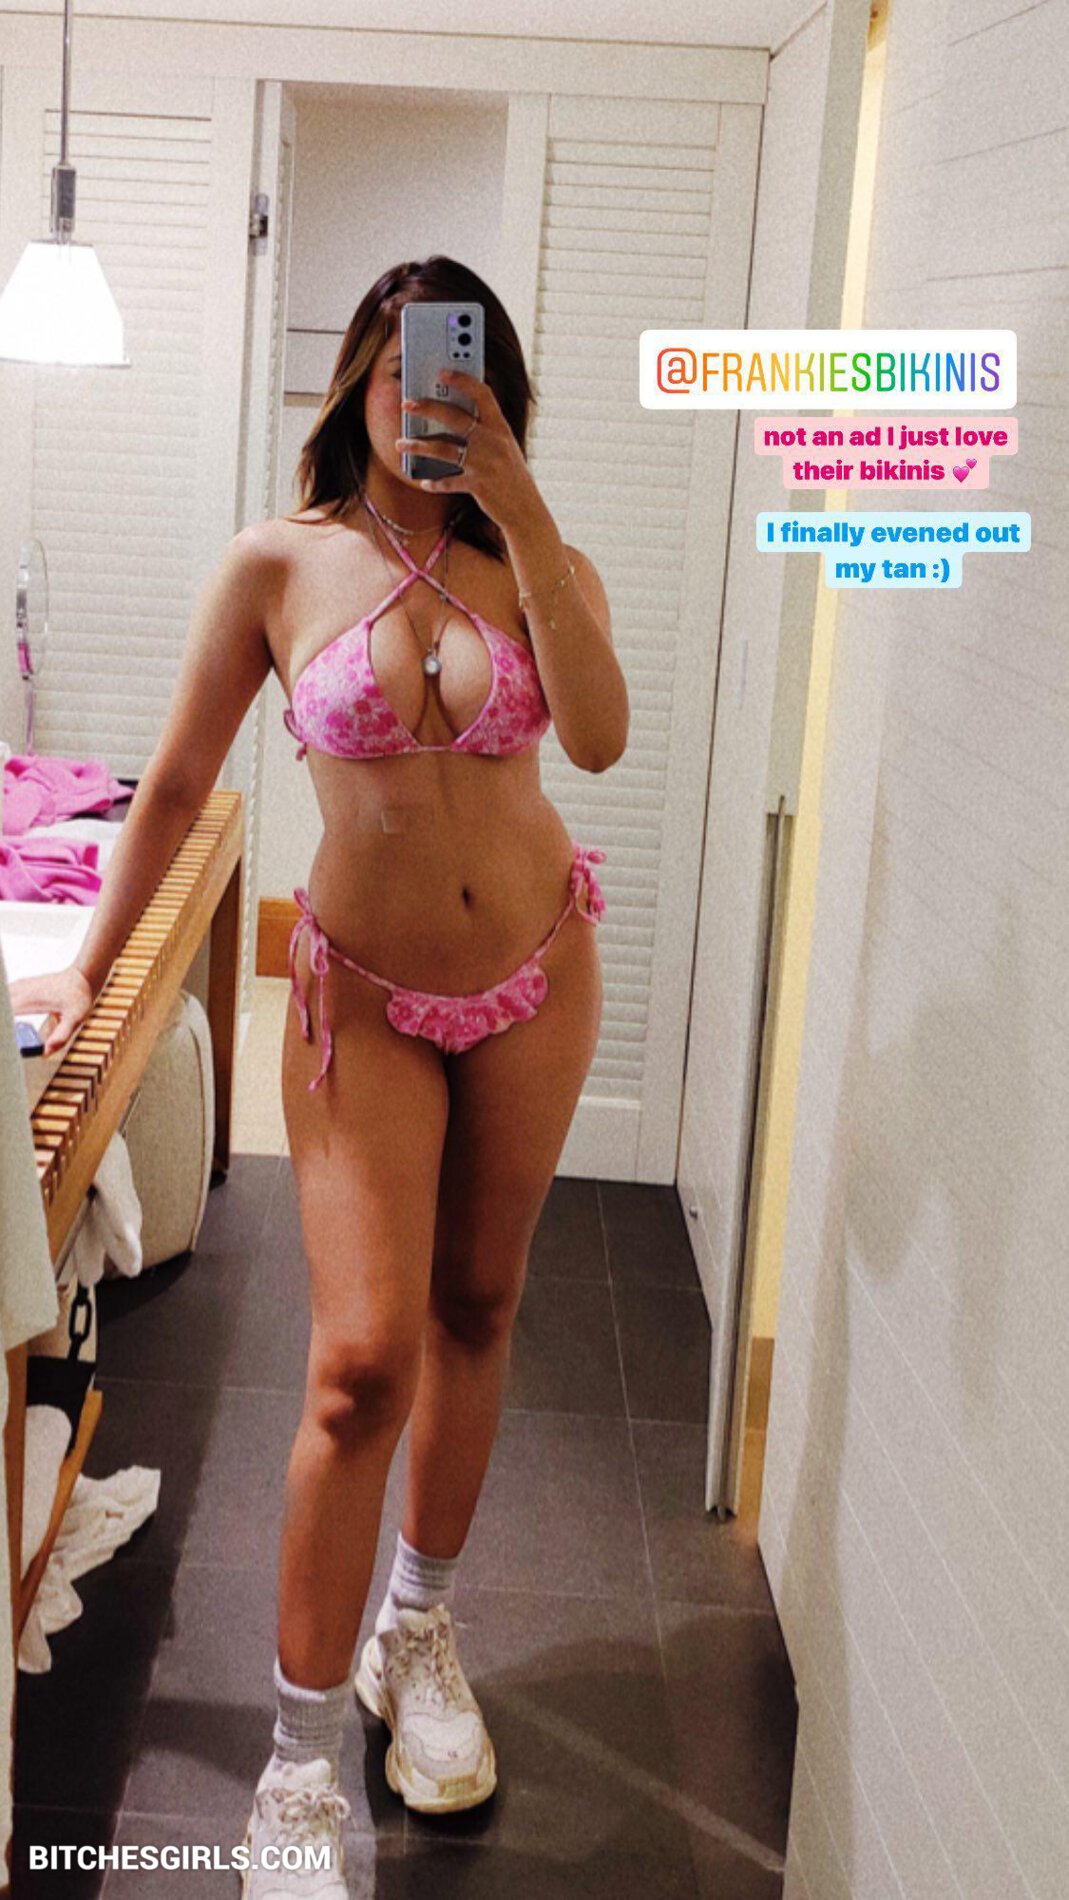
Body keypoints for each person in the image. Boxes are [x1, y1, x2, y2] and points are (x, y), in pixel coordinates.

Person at [7, 254, 628, 1896]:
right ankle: (292, 1767)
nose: (434, 407)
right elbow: (176, 781)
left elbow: (598, 739)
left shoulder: (536, 561)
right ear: (359, 380)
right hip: (362, 1003)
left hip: (536, 976)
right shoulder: (276, 564)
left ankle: (414, 1634)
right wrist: (87, 965)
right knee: (356, 1366)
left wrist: (521, 505)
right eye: (411, 375)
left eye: (466, 381)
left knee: (478, 1307)